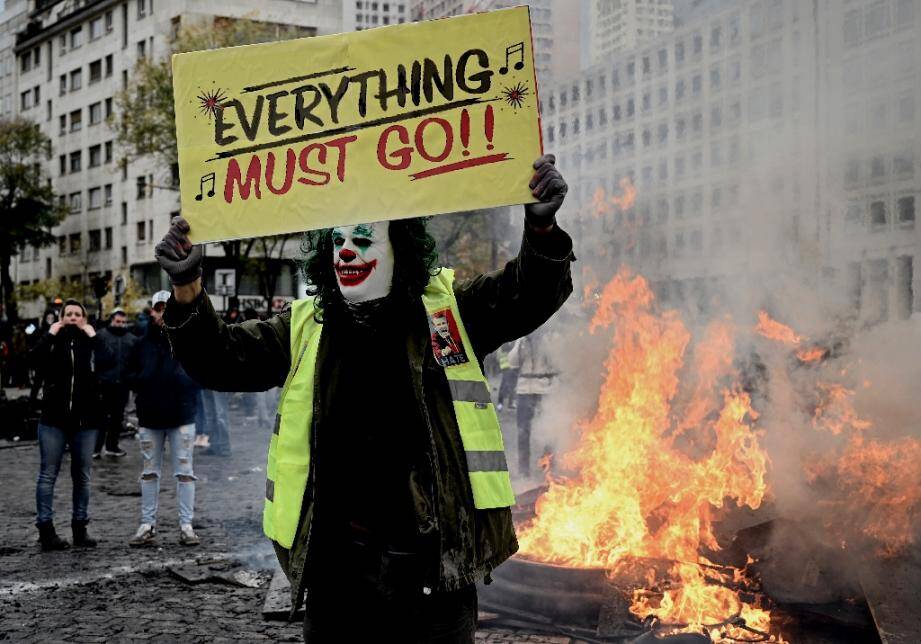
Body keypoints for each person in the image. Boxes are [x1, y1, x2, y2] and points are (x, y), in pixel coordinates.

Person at [155, 154, 572, 642]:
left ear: (401, 247)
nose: (347, 253)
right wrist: (187, 288)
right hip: (339, 574)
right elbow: (220, 359)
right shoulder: (306, 326)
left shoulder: (449, 313)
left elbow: (526, 295)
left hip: (432, 572)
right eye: (338, 242)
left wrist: (541, 229)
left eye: (363, 239)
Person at [29, 299, 110, 550]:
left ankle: (80, 528)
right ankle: (46, 530)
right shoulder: (53, 341)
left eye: (78, 314)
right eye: (69, 314)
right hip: (53, 419)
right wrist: (50, 334)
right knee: (47, 474)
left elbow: (110, 361)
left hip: (87, 421)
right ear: (61, 317)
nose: (73, 317)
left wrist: (94, 335)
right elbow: (32, 360)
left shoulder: (91, 341)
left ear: (84, 318)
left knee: (82, 476)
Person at [127, 291, 201, 547]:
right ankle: (147, 524)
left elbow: (201, 372)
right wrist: (144, 381)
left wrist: (185, 385)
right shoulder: (140, 344)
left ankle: (186, 525)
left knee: (185, 472)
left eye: (167, 308)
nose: (162, 313)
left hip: (182, 415)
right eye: (159, 308)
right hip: (150, 416)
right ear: (153, 312)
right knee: (149, 472)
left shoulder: (189, 341)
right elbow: (129, 374)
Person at [507, 328, 558, 478]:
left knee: (550, 428)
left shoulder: (550, 337)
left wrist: (547, 343)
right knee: (523, 431)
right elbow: (512, 362)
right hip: (524, 390)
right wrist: (520, 343)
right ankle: (524, 470)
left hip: (544, 389)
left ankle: (548, 465)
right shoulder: (521, 340)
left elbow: (556, 360)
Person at [94, 308, 138, 458]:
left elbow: (134, 362)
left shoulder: (132, 339)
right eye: (118, 322)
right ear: (112, 320)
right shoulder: (101, 336)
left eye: (123, 322)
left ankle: (112, 446)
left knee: (117, 417)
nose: (120, 325)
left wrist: (131, 379)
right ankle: (95, 448)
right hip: (104, 383)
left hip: (122, 384)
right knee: (100, 417)